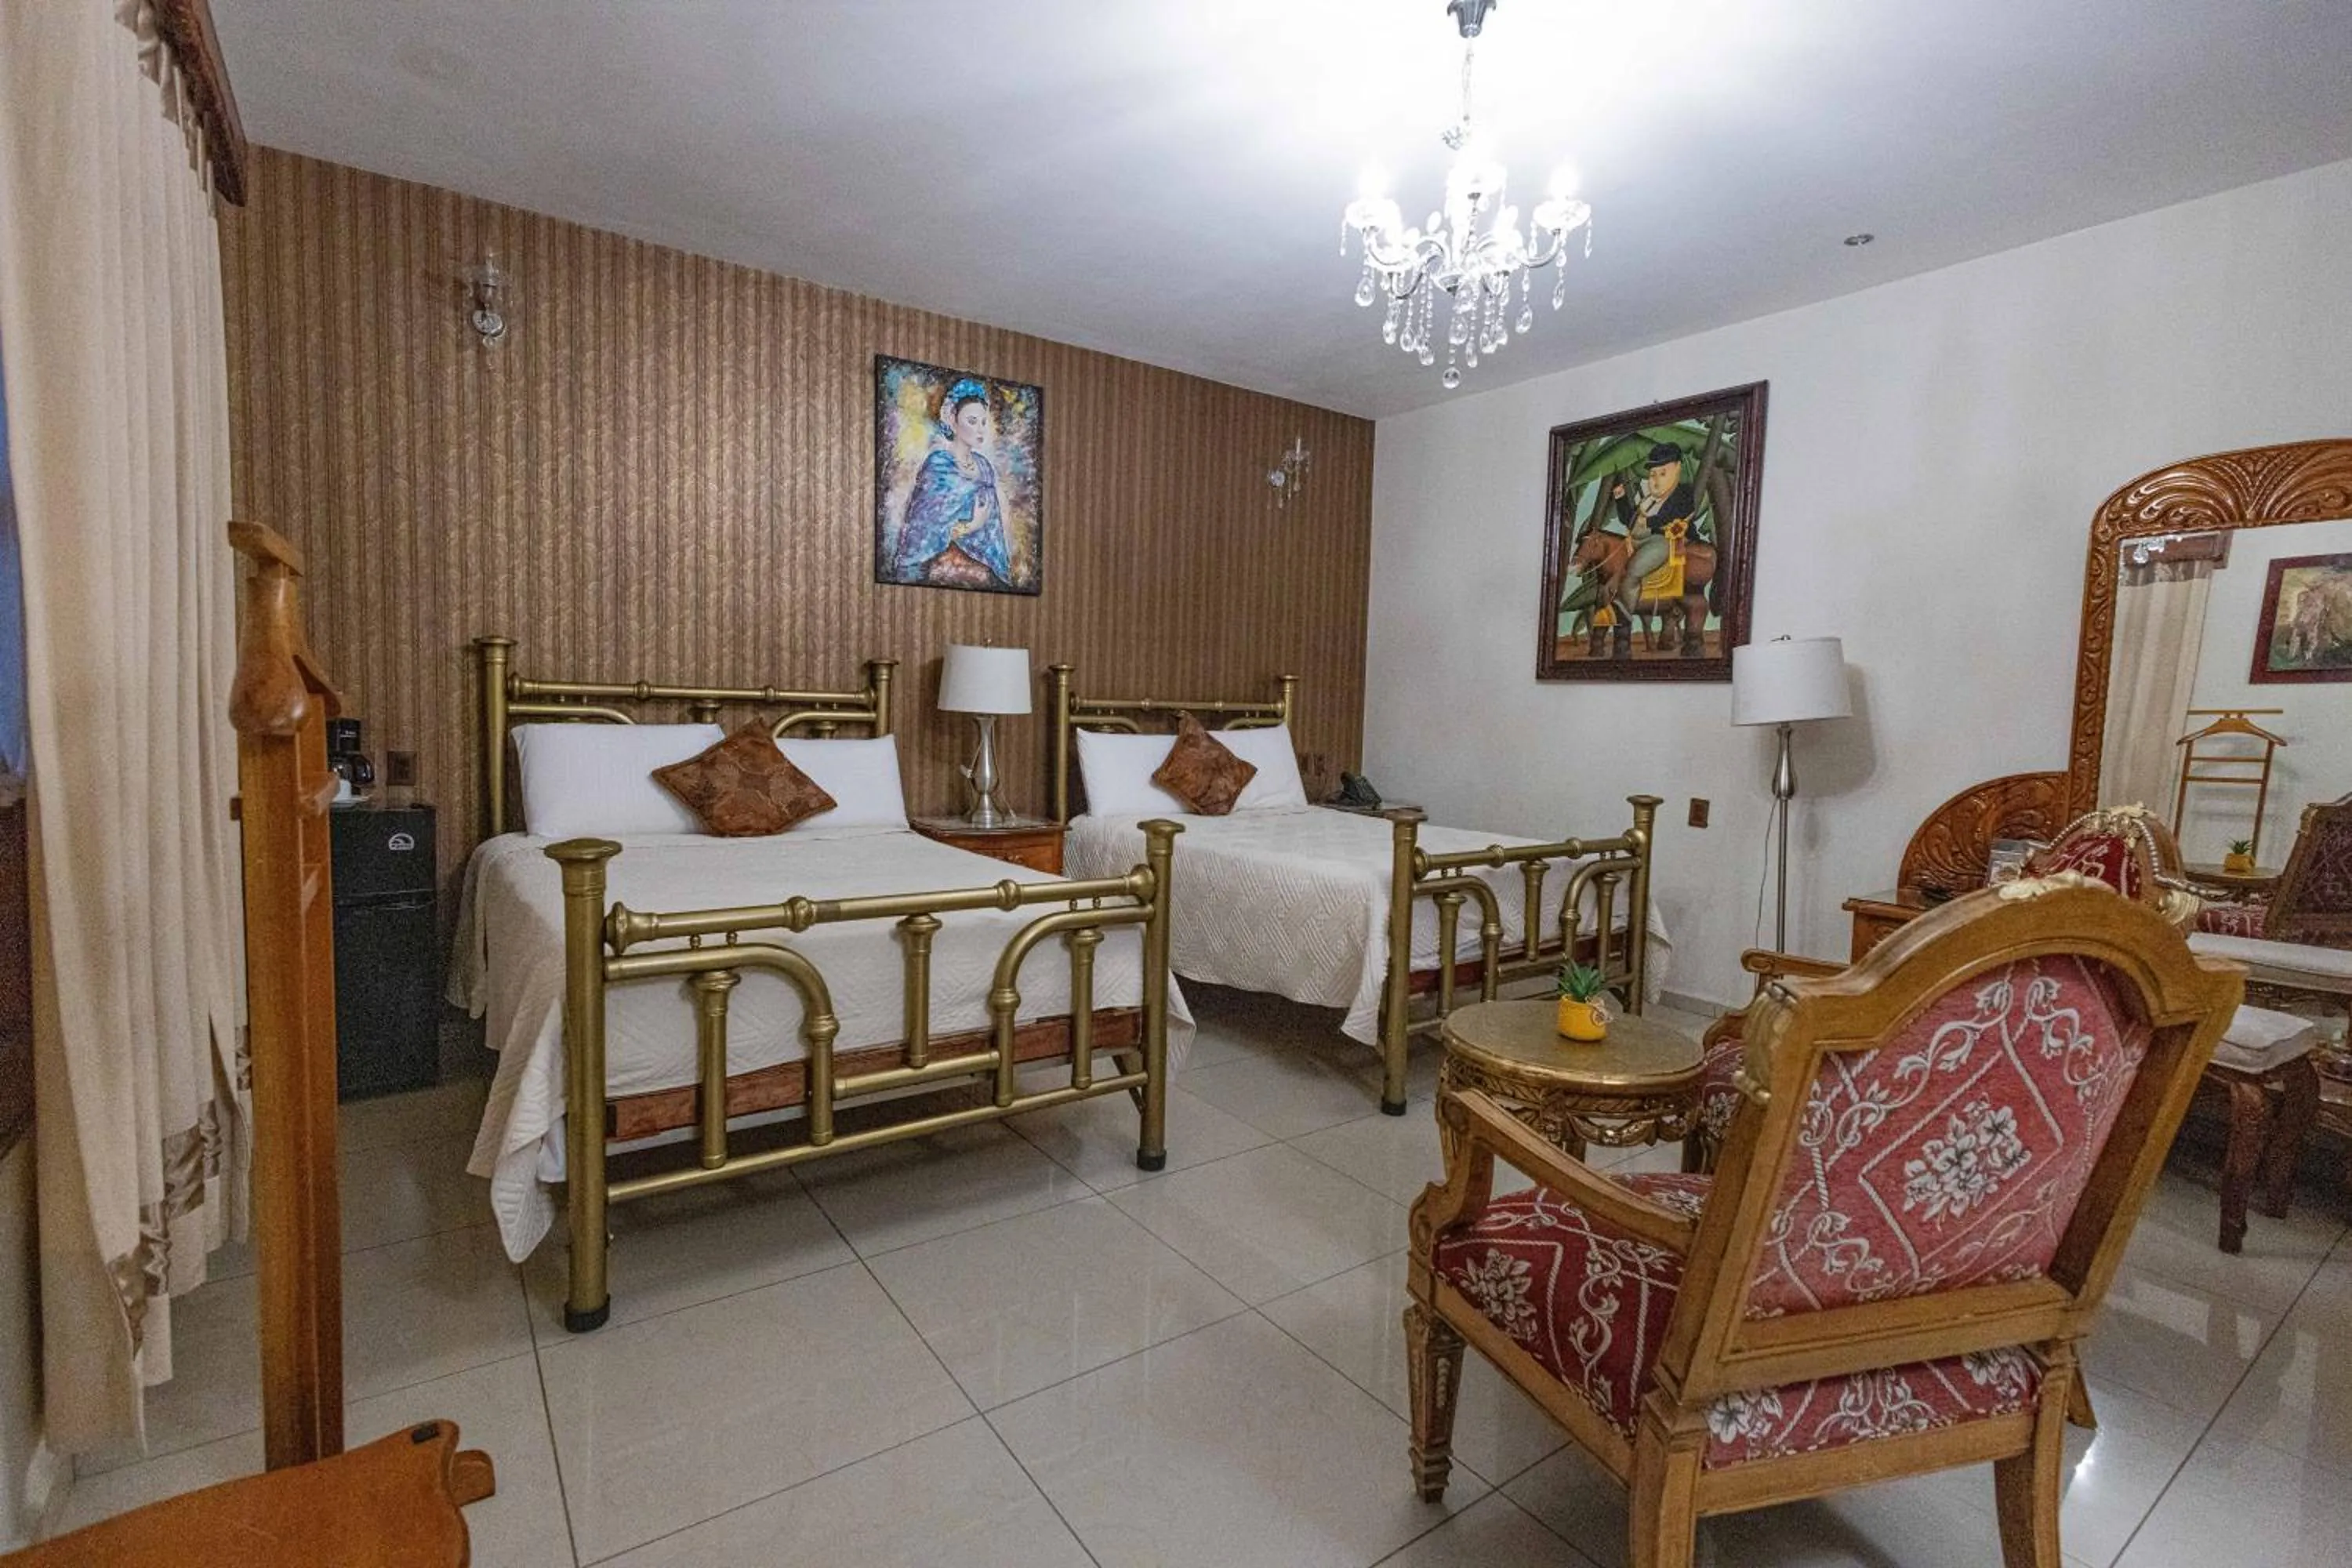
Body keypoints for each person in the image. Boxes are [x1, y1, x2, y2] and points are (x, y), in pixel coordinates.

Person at [891, 378, 1015, 588]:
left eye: (983, 422)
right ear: (952, 419)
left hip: (982, 570)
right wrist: (971, 525)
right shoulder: (938, 465)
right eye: (972, 421)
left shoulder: (985, 467)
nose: (980, 429)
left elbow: (993, 531)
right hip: (939, 570)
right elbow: (925, 531)